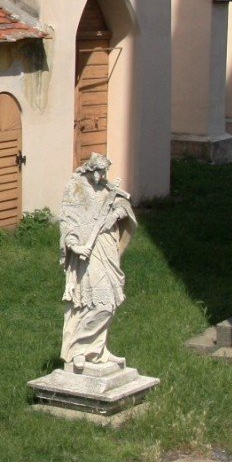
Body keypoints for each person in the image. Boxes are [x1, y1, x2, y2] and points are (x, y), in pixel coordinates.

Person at [59, 153, 136, 374]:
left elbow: (122, 203)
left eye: (104, 173)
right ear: (89, 169)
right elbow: (67, 220)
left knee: (110, 301)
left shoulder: (106, 188)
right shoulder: (76, 188)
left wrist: (117, 214)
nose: (101, 177)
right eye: (98, 172)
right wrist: (75, 245)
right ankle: (78, 351)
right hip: (88, 252)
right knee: (100, 304)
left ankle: (97, 350)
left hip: (107, 248)